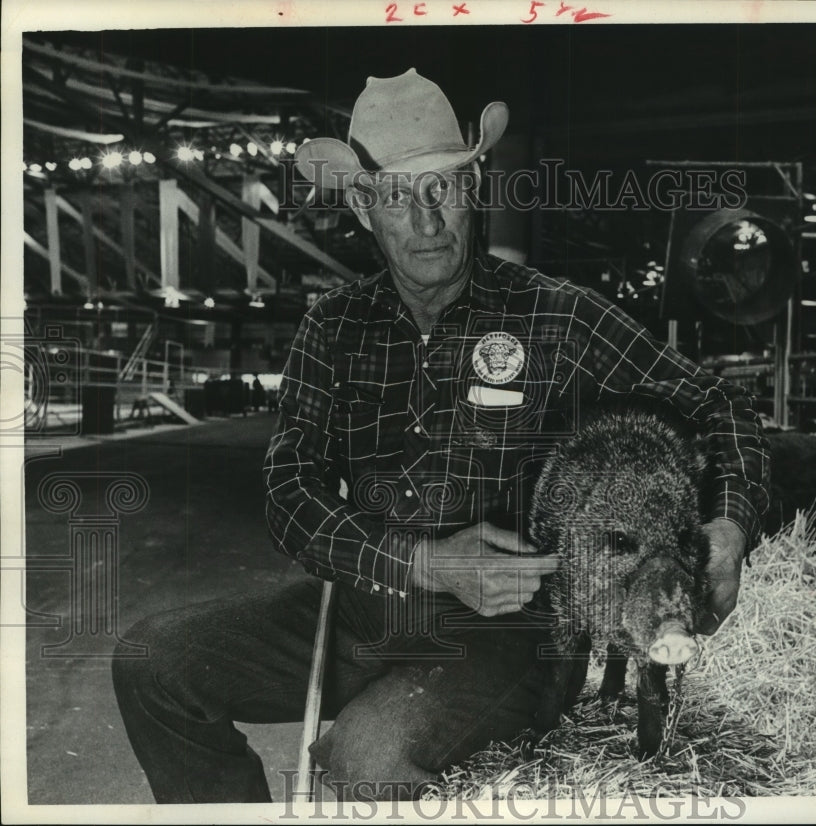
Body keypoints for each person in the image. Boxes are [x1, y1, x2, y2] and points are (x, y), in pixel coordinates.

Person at [112, 69, 769, 804]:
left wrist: (732, 524)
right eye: (398, 197)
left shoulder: (555, 316)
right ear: (365, 210)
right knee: (151, 660)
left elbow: (720, 405)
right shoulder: (333, 328)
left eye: (444, 190)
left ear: (475, 190)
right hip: (364, 606)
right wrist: (422, 561)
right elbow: (289, 492)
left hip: (506, 635)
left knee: (364, 759)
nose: (427, 221)